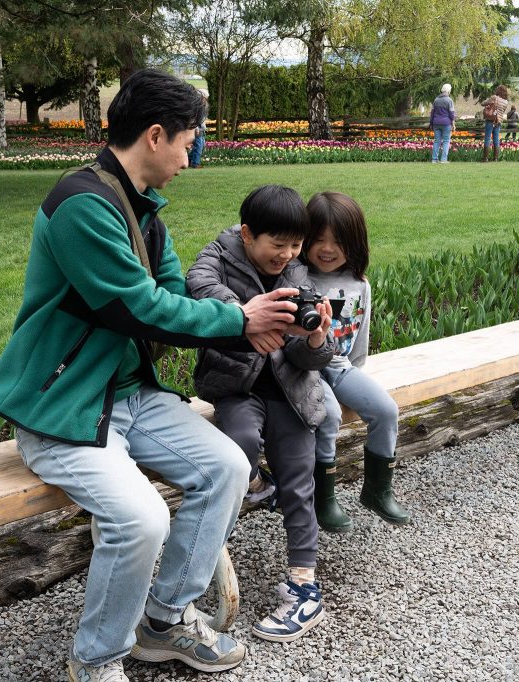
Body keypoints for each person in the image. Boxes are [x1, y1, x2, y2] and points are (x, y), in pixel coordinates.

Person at [0, 69, 304, 682]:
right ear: (155, 136)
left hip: (131, 397)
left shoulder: (145, 212)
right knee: (141, 519)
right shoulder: (81, 204)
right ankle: (96, 660)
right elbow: (136, 307)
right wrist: (240, 319)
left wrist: (252, 322)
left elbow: (174, 297)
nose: (190, 158)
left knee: (227, 467)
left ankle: (164, 620)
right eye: (188, 142)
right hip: (66, 405)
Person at [186, 184, 335, 643]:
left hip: (293, 392)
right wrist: (247, 315)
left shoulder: (298, 271)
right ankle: (254, 485)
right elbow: (198, 285)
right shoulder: (219, 254)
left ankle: (304, 587)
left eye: (296, 245)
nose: (287, 255)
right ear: (248, 234)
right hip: (237, 388)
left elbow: (314, 359)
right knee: (241, 444)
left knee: (299, 483)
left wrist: (316, 338)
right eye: (278, 244)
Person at [301, 192, 410, 533]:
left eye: (338, 241)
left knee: (386, 410)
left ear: (355, 242)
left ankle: (378, 490)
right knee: (329, 414)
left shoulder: (359, 284)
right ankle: (323, 498)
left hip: (340, 366)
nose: (327, 249)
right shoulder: (298, 279)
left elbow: (360, 334)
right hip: (304, 368)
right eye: (319, 239)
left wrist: (355, 376)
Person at [481, 85, 510, 162]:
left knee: (487, 138)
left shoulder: (494, 97)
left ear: (498, 91)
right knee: (496, 139)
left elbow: (483, 103)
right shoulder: (506, 102)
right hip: (498, 121)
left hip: (490, 120)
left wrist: (488, 104)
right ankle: (495, 158)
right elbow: (501, 111)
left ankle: (485, 158)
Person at [429, 83, 457, 163]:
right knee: (446, 141)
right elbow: (451, 113)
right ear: (448, 91)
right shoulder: (449, 100)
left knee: (437, 141)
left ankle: (434, 159)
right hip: (446, 123)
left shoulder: (436, 100)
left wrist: (431, 123)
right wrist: (453, 124)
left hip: (436, 123)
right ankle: (443, 160)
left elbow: (432, 112)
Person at [188, 89, 208, 168]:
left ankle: (189, 160)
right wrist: (196, 129)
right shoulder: (196, 107)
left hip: (201, 130)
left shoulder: (202, 107)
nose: (205, 100)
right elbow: (193, 119)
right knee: (198, 146)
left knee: (201, 146)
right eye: (204, 98)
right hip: (197, 130)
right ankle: (195, 164)